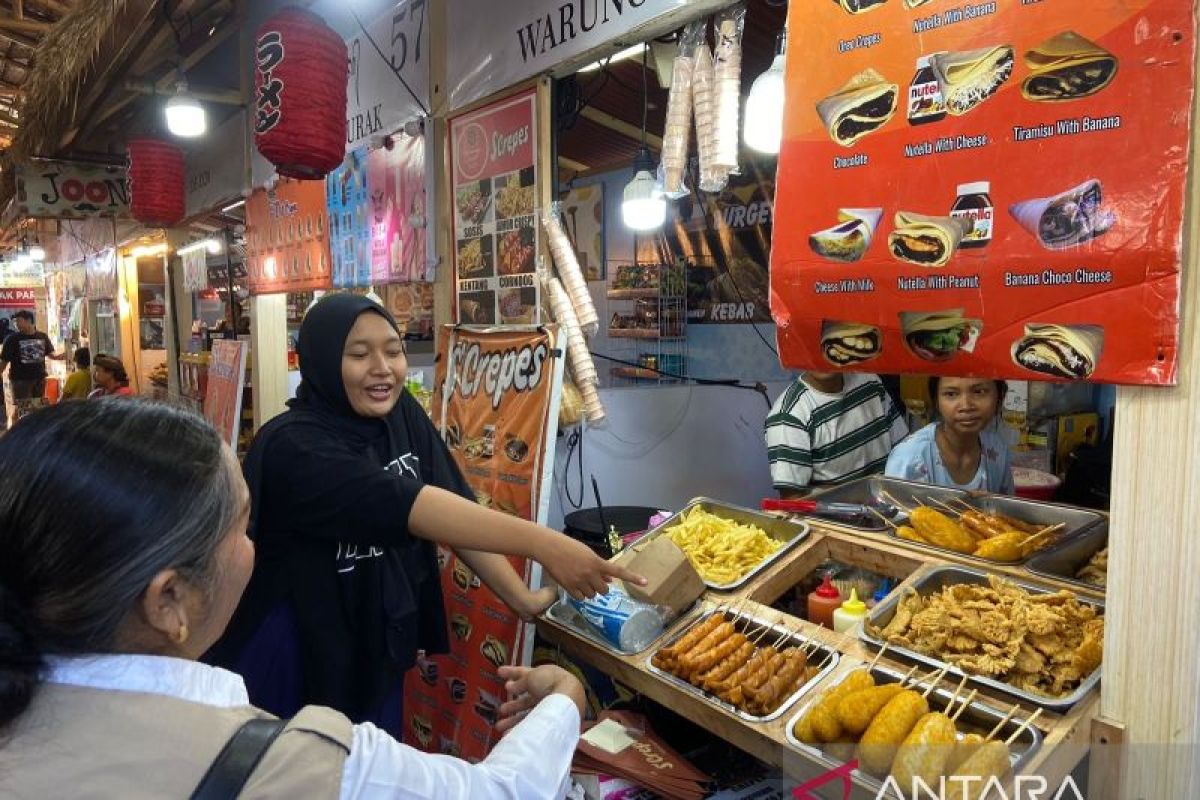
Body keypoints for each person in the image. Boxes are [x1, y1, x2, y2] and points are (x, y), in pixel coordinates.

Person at [0, 399, 586, 798]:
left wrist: (520, 594)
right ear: (169, 602)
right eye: (242, 526)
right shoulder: (289, 764)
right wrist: (567, 697)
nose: (252, 546)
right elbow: (505, 791)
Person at [206, 294, 641, 737]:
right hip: (296, 649)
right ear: (319, 359)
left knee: (373, 766)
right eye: (359, 354)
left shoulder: (399, 414)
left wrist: (521, 599)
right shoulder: (292, 447)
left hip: (373, 645)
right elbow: (410, 505)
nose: (383, 367)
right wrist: (546, 543)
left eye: (393, 351)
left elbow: (451, 506)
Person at [765, 371, 908, 496]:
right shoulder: (789, 416)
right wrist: (861, 494)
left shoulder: (870, 381)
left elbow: (904, 451)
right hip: (834, 522)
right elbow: (793, 500)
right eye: (811, 347)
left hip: (892, 504)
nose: (820, 357)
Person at [886, 376, 1015, 494]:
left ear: (1000, 397)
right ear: (936, 400)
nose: (966, 406)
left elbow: (1007, 514)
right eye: (951, 394)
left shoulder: (997, 450)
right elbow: (894, 518)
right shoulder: (909, 459)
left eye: (979, 392)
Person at [0, 309, 63, 403]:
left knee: (37, 408)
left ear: (29, 320)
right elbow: (4, 361)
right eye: (15, 321)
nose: (16, 324)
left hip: (40, 379)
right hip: (20, 381)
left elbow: (51, 355)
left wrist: (65, 356)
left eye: (19, 321)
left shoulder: (42, 336)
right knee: (24, 408)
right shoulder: (12, 339)